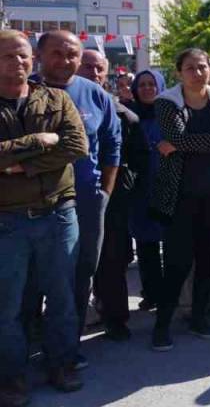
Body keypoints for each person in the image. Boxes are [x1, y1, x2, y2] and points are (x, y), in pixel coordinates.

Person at [0, 30, 90, 402]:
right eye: (9, 56)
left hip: (58, 214)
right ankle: (12, 376)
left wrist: (20, 166)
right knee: (8, 305)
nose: (18, 63)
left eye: (23, 56)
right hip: (8, 220)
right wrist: (38, 142)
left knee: (62, 297)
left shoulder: (55, 99)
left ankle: (61, 364)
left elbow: (75, 146)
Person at [34, 31, 122, 367]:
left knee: (81, 272)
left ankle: (68, 346)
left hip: (87, 200)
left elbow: (113, 146)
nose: (65, 60)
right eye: (56, 53)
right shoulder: (23, 91)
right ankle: (30, 343)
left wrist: (104, 193)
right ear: (39, 55)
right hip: (33, 202)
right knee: (31, 275)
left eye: (72, 54)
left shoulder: (95, 94)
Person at [150, 48, 210, 352]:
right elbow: (175, 139)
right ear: (179, 72)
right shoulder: (167, 102)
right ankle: (162, 325)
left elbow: (182, 143)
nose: (198, 73)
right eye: (190, 68)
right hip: (180, 198)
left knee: (207, 262)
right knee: (176, 264)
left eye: (202, 67)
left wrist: (184, 144)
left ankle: (199, 317)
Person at [78, 49, 141, 342]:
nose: (93, 72)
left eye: (99, 68)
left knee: (111, 261)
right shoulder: (51, 100)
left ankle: (115, 318)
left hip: (109, 198)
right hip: (61, 197)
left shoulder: (121, 112)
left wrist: (118, 184)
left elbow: (137, 156)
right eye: (87, 66)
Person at [126, 70, 167, 314]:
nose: (148, 88)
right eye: (142, 84)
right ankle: (151, 293)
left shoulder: (170, 113)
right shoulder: (129, 115)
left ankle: (169, 293)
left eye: (152, 84)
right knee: (146, 245)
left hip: (167, 185)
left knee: (170, 243)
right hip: (140, 188)